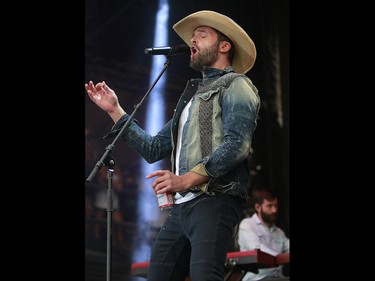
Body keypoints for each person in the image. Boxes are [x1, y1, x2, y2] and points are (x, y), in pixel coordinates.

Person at [85, 10, 260, 281]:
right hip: (182, 207)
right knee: (159, 275)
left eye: (202, 35)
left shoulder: (237, 85)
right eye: (193, 36)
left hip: (215, 200)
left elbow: (237, 145)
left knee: (205, 274)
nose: (193, 39)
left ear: (224, 46)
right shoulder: (190, 99)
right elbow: (154, 148)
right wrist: (115, 111)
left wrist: (185, 180)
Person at [237, 188, 290, 280]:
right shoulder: (247, 224)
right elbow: (257, 249)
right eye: (269, 206)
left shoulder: (279, 232)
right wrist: (280, 257)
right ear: (258, 207)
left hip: (277, 277)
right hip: (256, 279)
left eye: (276, 206)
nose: (274, 210)